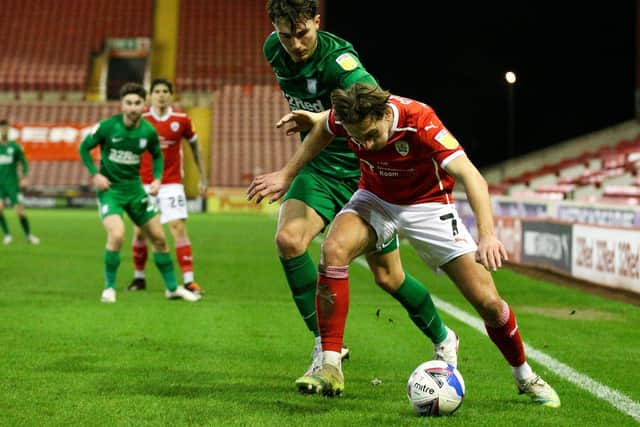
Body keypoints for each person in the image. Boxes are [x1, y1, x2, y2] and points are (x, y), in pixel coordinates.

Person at [247, 83, 561, 407]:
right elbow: (322, 131)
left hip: (430, 205)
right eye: (358, 139)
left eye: (371, 135)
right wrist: (287, 174)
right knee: (334, 250)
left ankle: (525, 376)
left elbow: (472, 176)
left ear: (385, 114)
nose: (365, 144)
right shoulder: (349, 120)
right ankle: (329, 365)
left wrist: (487, 234)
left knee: (489, 304)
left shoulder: (420, 121)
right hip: (376, 199)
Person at [262, 0, 458, 383]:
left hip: (361, 174)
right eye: (286, 35)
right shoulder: (273, 49)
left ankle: (444, 337)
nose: (295, 44)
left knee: (389, 277)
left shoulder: (342, 64)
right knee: (289, 240)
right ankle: (325, 347)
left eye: (302, 33)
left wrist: (319, 117)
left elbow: (376, 105)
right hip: (317, 168)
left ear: (317, 22)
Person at [78, 82, 201, 304]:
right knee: (117, 235)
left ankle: (173, 289)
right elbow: (83, 148)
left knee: (160, 239)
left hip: (136, 191)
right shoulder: (107, 127)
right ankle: (109, 288)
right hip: (111, 192)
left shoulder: (147, 131)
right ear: (122, 105)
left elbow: (157, 155)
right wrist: (95, 175)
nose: (133, 108)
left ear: (143, 104)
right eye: (129, 103)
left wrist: (156, 178)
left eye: (137, 103)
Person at [127, 78, 207, 295]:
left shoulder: (181, 119)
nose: (161, 95)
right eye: (157, 91)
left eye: (165, 91)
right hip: (143, 184)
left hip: (171, 183)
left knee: (178, 228)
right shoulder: (140, 119)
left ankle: (189, 280)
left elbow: (195, 148)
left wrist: (203, 177)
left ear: (171, 95)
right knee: (140, 232)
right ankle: (139, 277)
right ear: (150, 96)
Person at [0, 119, 40, 245]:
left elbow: (23, 162)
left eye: (6, 128)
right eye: (2, 129)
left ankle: (28, 235)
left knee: (20, 212)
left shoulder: (15, 146)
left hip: (12, 184)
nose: (4, 131)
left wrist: (25, 176)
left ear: (8, 130)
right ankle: (7, 235)